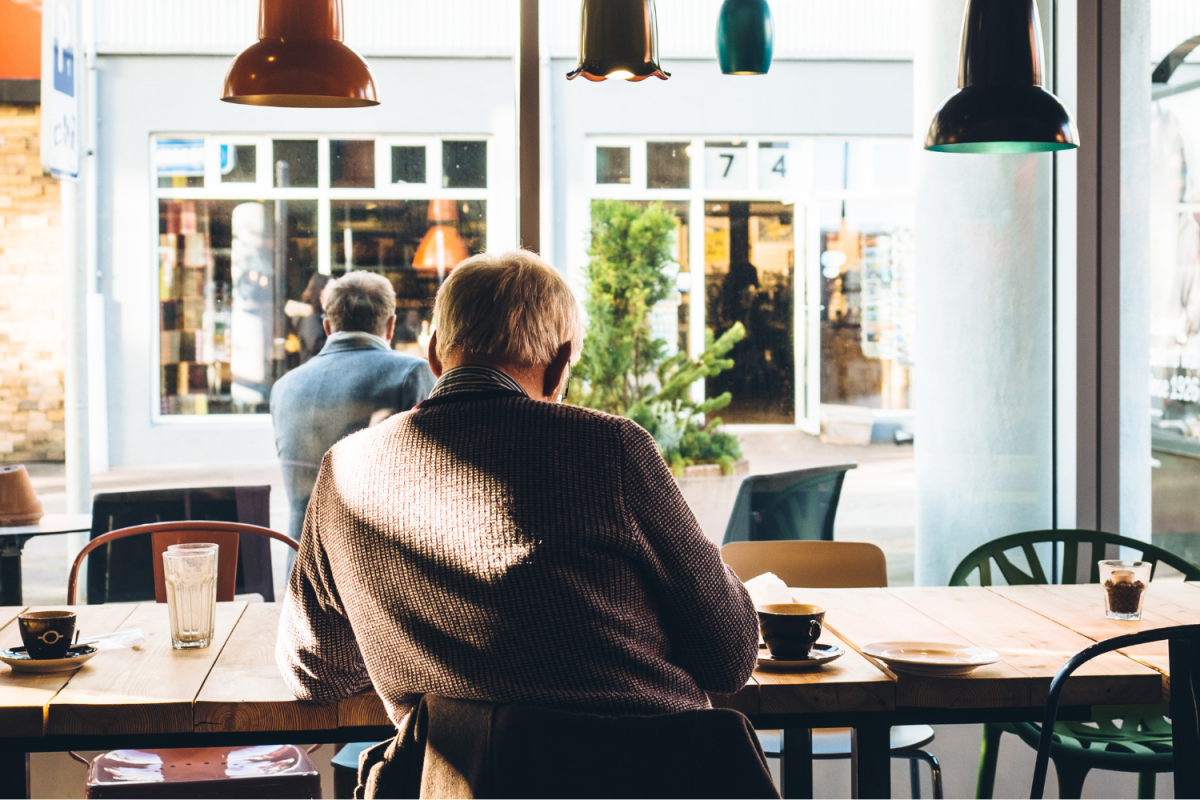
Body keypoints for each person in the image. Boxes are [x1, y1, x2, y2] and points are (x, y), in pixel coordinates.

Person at [277, 250, 759, 725]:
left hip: (459, 782)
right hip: (649, 776)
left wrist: (412, 643)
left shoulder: (344, 469)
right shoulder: (611, 449)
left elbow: (314, 672)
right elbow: (730, 656)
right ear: (560, 364)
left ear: (434, 354)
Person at [270, 271, 435, 553]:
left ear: (327, 327)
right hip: (377, 570)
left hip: (300, 570)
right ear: (391, 325)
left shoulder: (284, 387)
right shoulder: (410, 374)